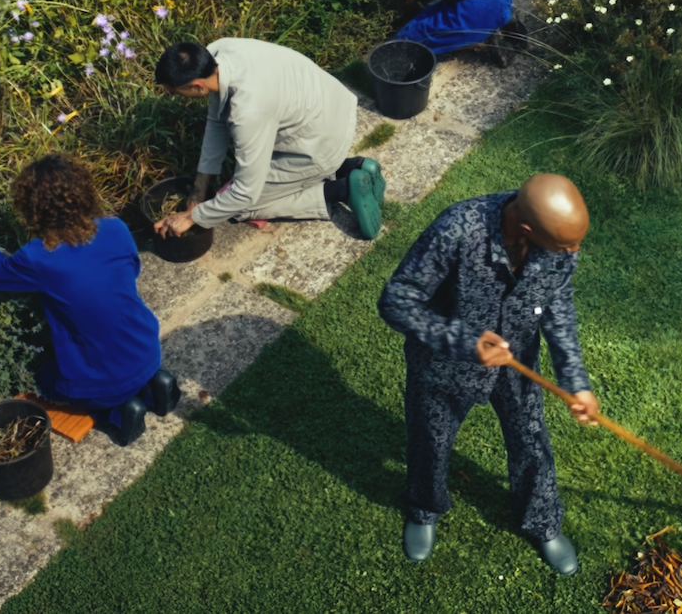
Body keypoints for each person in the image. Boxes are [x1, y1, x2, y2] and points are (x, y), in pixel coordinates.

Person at [377, 173, 598, 576]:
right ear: (527, 228)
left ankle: (543, 523)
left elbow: (559, 308)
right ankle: (425, 508)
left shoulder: (560, 247)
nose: (574, 252)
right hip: (442, 367)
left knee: (532, 443)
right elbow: (396, 300)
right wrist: (464, 342)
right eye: (566, 245)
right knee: (430, 442)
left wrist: (575, 381)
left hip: (517, 368)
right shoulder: (456, 229)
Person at [0, 153, 180, 446]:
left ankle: (119, 413)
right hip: (148, 349)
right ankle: (154, 386)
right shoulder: (116, 227)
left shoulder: (37, 256)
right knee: (121, 363)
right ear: (84, 193)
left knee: (43, 380)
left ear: (33, 210)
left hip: (101, 381)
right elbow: (131, 269)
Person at [153, 38, 387, 240]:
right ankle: (351, 167)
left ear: (196, 86)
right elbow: (217, 120)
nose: (175, 97)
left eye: (175, 93)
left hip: (319, 143)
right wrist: (199, 188)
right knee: (234, 192)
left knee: (236, 205)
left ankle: (341, 189)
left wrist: (193, 217)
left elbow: (245, 192)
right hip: (332, 106)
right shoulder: (219, 51)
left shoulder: (248, 112)